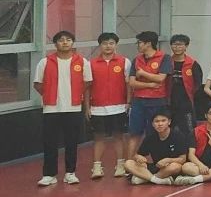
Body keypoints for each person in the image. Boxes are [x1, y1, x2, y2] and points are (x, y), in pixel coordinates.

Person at [33, 30, 94, 186]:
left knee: (71, 142)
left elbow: (87, 82)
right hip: (51, 109)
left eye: (68, 40)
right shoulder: (45, 62)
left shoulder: (82, 62)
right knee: (50, 143)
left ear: (72, 43)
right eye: (61, 40)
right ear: (55, 44)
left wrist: (75, 95)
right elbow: (38, 84)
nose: (65, 42)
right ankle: (49, 175)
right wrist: (50, 95)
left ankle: (70, 173)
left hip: (73, 108)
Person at [87, 32, 131, 179]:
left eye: (111, 43)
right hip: (97, 108)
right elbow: (87, 87)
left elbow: (129, 84)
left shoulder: (124, 62)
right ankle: (97, 167)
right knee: (98, 137)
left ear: (116, 45)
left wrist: (128, 102)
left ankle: (120, 165)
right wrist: (87, 107)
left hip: (119, 107)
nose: (108, 46)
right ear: (100, 45)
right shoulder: (91, 63)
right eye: (105, 43)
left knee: (119, 136)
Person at [123, 113, 188, 186]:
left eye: (163, 121)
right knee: (128, 163)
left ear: (169, 122)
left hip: (168, 167)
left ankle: (146, 178)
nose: (160, 124)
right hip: (156, 166)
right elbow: (137, 155)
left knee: (176, 167)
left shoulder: (178, 136)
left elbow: (183, 159)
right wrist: (139, 158)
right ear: (153, 124)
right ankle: (156, 180)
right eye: (157, 121)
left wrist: (168, 160)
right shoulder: (150, 137)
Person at [174, 106, 211, 186]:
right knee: (186, 167)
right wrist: (201, 165)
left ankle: (196, 179)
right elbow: (191, 155)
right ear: (206, 115)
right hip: (199, 165)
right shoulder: (196, 131)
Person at [167, 34, 203, 134]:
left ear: (186, 46)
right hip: (169, 103)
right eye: (174, 44)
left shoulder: (193, 64)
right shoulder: (167, 62)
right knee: (169, 130)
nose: (177, 47)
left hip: (186, 103)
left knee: (189, 130)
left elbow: (198, 84)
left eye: (180, 45)